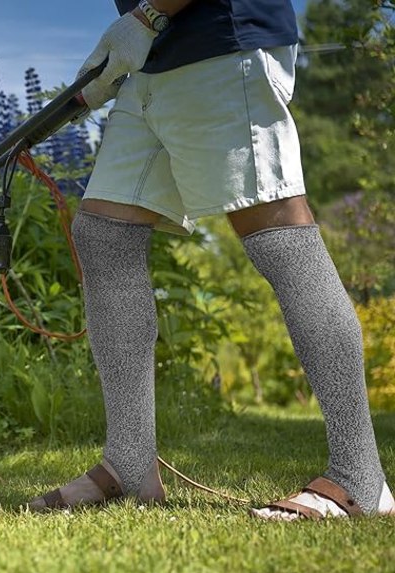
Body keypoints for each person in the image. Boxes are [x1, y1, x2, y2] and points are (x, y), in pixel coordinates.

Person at [29, 0, 395, 519]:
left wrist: (147, 15)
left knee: (276, 233)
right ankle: (130, 463)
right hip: (155, 58)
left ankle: (361, 477)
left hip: (220, 41)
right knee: (104, 236)